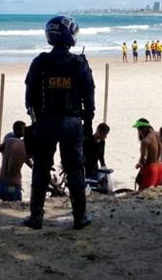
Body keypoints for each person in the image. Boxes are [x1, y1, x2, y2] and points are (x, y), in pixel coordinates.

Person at [24, 15, 95, 230]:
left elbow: (29, 97)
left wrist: (35, 121)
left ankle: (36, 216)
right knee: (75, 169)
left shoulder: (40, 62)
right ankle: (79, 217)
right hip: (72, 123)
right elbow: (89, 96)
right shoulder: (79, 63)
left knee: (41, 169)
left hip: (45, 123)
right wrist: (88, 123)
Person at [0, 131, 33, 202]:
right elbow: (38, 168)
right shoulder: (27, 149)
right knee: (16, 211)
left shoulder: (9, 141)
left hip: (1, 186)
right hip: (14, 186)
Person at [133, 118, 162, 190]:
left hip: (151, 168)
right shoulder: (159, 134)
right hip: (161, 167)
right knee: (156, 192)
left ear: (144, 129)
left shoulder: (145, 140)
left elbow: (142, 159)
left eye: (139, 129)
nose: (139, 132)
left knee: (145, 192)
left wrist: (138, 164)